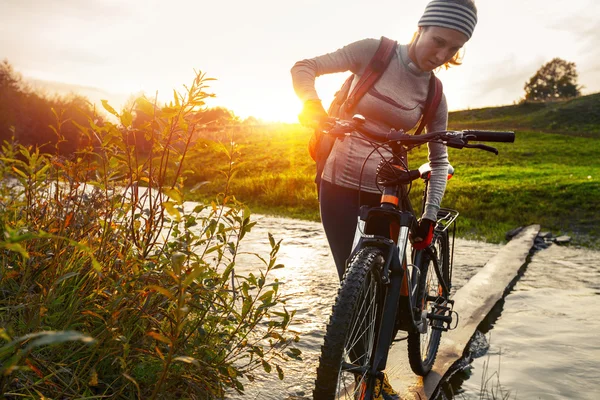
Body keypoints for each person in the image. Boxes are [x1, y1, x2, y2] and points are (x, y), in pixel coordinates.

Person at [291, 0, 477, 397]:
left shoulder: (434, 93)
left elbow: (438, 159)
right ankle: (366, 379)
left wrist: (428, 216)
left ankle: (382, 352)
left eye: (454, 50)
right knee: (352, 284)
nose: (442, 55)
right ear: (421, 27)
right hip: (337, 180)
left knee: (389, 287)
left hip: (390, 187)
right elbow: (304, 67)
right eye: (439, 41)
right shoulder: (374, 52)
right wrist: (312, 105)